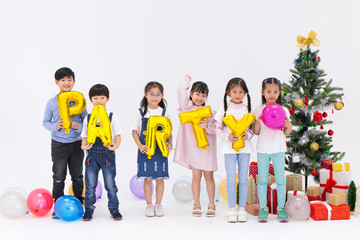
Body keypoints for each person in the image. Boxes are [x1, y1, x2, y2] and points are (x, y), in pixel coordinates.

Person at [43, 67, 87, 219]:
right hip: (59, 144)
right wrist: (55, 126)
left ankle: (79, 203)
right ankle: (58, 205)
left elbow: (86, 121)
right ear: (57, 82)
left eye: (69, 80)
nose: (66, 83)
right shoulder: (52, 102)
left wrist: (79, 126)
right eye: (63, 80)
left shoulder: (79, 100)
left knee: (77, 176)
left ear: (74, 81)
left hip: (76, 143)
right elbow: (45, 122)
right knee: (59, 176)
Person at [173, 75, 217, 217]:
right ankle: (196, 203)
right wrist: (186, 80)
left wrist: (207, 126)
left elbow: (217, 129)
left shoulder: (210, 112)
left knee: (209, 175)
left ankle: (211, 203)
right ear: (191, 94)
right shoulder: (187, 108)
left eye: (203, 95)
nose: (199, 98)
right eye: (197, 94)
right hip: (194, 149)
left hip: (207, 148)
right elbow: (180, 90)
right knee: (196, 175)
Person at [81, 84, 123, 221]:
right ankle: (88, 209)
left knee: (110, 184)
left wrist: (115, 145)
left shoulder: (112, 117)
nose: (99, 101)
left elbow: (118, 135)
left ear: (107, 99)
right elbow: (85, 136)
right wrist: (84, 145)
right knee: (90, 184)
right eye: (96, 98)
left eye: (102, 98)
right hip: (92, 154)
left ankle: (114, 208)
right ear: (91, 100)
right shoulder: (88, 118)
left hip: (107, 153)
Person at [214, 77, 254, 223]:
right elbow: (217, 128)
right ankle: (232, 209)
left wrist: (247, 135)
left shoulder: (247, 109)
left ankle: (242, 209)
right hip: (229, 150)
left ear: (245, 93)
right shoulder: (223, 109)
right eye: (234, 91)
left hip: (245, 149)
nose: (237, 94)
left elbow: (252, 131)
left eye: (241, 91)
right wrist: (227, 137)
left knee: (243, 180)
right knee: (231, 179)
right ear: (228, 92)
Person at [253, 77, 292, 223]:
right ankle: (263, 208)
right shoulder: (258, 109)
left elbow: (287, 133)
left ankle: (281, 208)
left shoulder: (284, 110)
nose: (272, 94)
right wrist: (257, 123)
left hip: (278, 149)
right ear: (262, 92)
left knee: (281, 180)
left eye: (275, 91)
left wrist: (289, 126)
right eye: (268, 91)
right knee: (262, 180)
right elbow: (256, 132)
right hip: (263, 149)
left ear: (279, 93)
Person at [132, 81, 173, 217]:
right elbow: (134, 132)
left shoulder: (164, 113)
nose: (154, 97)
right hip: (146, 149)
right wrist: (140, 145)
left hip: (160, 150)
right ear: (145, 95)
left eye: (158, 94)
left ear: (161, 96)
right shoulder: (141, 112)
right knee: (147, 178)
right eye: (151, 94)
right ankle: (149, 204)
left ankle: (159, 204)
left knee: (160, 178)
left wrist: (169, 144)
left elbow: (169, 132)